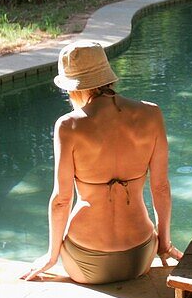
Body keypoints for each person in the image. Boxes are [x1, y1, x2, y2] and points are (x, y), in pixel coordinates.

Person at [20, 40, 183, 284]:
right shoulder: (152, 114)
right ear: (108, 76)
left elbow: (61, 200)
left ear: (73, 87)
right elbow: (160, 188)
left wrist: (51, 256)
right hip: (139, 257)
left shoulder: (69, 126)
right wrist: (164, 244)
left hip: (85, 262)